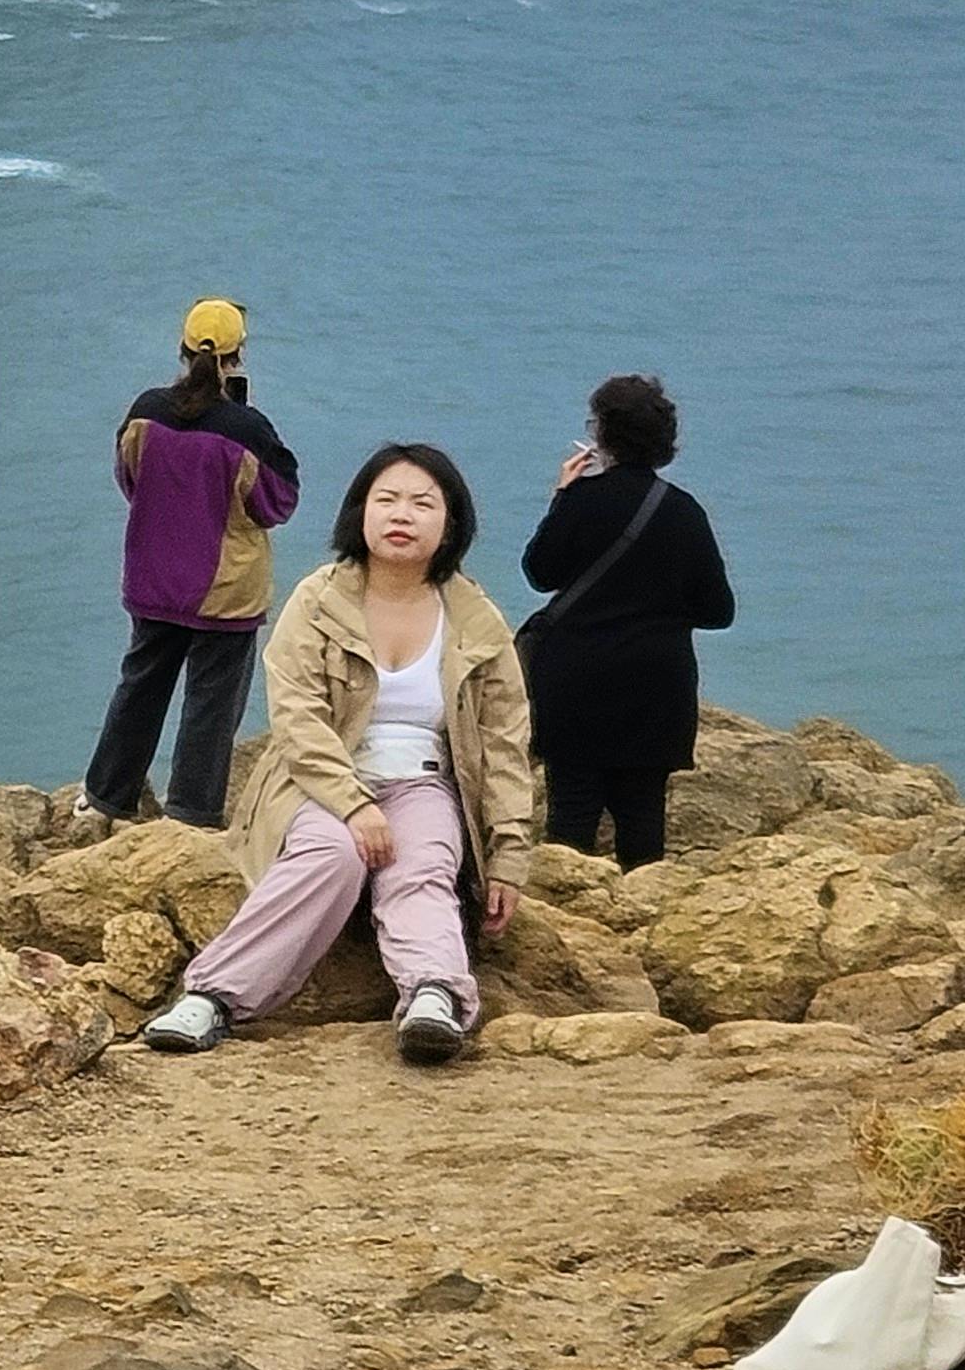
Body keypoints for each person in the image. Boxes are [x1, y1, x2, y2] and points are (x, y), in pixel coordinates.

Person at [145, 443, 533, 1068]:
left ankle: (434, 995)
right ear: (360, 513)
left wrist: (509, 854)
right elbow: (297, 718)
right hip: (321, 783)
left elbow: (504, 740)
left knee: (424, 861)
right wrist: (354, 804)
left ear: (450, 524)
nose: (400, 514)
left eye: (421, 503)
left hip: (424, 784)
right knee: (331, 856)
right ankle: (212, 996)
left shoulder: (476, 621)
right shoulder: (318, 602)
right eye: (386, 500)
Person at [82, 296, 300, 829]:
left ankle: (107, 798)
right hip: (224, 592)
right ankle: (191, 813)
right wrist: (245, 418)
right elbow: (278, 502)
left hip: (154, 579)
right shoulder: (246, 431)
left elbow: (129, 480)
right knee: (211, 704)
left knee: (140, 686)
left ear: (182, 349)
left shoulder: (144, 413)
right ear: (237, 357)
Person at [519, 372, 735, 870]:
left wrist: (562, 497)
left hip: (575, 684)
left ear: (601, 436)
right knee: (643, 831)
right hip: (656, 691)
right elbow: (718, 611)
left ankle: (569, 925)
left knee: (569, 825)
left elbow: (539, 572)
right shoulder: (685, 512)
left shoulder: (581, 499)